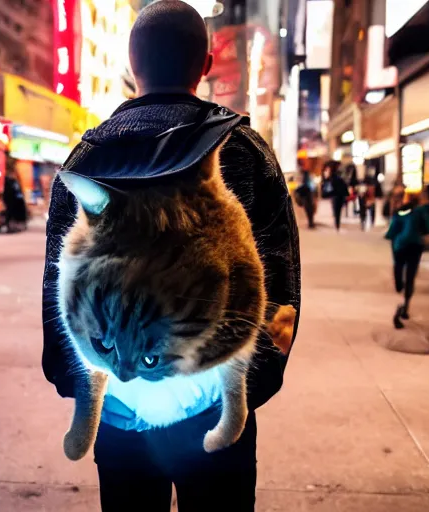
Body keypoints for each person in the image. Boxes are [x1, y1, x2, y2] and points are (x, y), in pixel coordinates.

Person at [41, 2, 300, 510]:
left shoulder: (87, 158)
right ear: (205, 65)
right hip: (212, 409)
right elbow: (280, 286)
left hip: (117, 405)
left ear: (131, 62)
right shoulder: (245, 150)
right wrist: (248, 386)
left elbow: (59, 286)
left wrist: (78, 385)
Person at [385, 191, 429, 329]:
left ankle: (399, 285)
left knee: (398, 267)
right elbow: (428, 228)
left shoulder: (399, 212)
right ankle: (405, 306)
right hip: (415, 246)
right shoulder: (421, 212)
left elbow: (392, 232)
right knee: (411, 276)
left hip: (400, 246)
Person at [323, 162, 349, 232]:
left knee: (336, 210)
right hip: (339, 195)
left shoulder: (334, 177)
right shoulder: (338, 175)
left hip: (336, 195)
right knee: (337, 211)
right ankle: (337, 224)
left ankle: (337, 224)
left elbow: (330, 185)